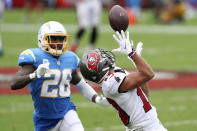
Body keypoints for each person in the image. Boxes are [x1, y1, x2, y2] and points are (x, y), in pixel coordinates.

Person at [11, 21, 109, 131]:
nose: (58, 42)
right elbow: (14, 83)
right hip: (44, 119)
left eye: (60, 39)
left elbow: (80, 83)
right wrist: (35, 75)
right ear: (42, 39)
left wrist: (96, 98)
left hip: (67, 112)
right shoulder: (35, 57)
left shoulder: (70, 58)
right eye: (53, 39)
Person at [80, 30, 168, 131]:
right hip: (144, 128)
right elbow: (149, 74)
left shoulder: (114, 75)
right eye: (102, 58)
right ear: (99, 67)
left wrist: (137, 65)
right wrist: (132, 54)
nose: (105, 57)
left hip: (150, 124)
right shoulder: (111, 83)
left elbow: (145, 93)